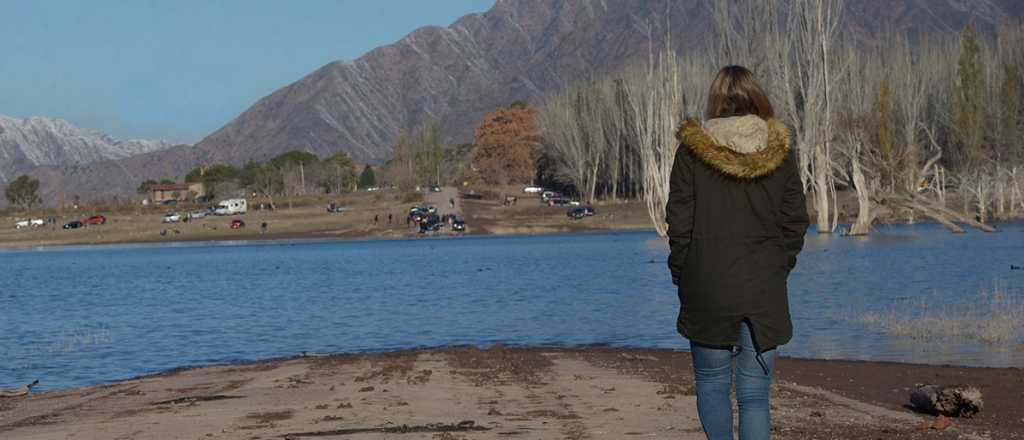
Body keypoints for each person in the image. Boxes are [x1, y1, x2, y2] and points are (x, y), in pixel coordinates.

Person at [665, 65, 809, 440]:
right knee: (755, 396)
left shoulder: (692, 152)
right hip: (764, 286)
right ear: (757, 98)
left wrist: (685, 273)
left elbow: (679, 224)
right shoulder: (780, 152)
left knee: (712, 384)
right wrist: (780, 265)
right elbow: (794, 221)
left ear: (715, 101)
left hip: (706, 284)